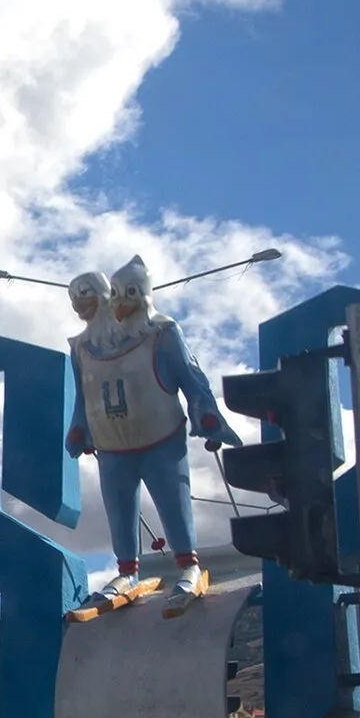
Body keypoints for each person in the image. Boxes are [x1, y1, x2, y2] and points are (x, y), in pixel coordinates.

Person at [65, 258, 242, 614]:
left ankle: (188, 565)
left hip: (161, 438)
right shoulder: (82, 348)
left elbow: (191, 377)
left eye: (127, 293)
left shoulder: (160, 334)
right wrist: (80, 427)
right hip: (112, 444)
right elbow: (83, 395)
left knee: (171, 501)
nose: (119, 303)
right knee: (118, 507)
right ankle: (126, 571)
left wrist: (206, 415)